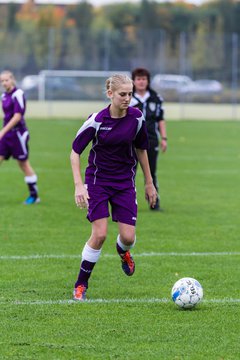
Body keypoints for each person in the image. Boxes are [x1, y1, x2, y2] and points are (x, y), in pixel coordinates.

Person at [70, 73, 157, 301]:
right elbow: (75, 152)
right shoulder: (97, 120)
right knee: (99, 235)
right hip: (98, 182)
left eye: (130, 94)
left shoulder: (137, 118)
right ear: (110, 94)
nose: (127, 98)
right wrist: (79, 186)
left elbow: (141, 150)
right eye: (122, 94)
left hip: (124, 183)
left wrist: (149, 183)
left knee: (128, 237)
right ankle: (81, 284)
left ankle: (123, 251)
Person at [0, 70, 40, 204]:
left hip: (18, 134)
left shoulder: (18, 94)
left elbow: (17, 116)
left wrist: (2, 131)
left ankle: (34, 196)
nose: (4, 83)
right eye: (2, 81)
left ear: (12, 80)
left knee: (23, 164)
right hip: (6, 135)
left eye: (6, 80)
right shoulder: (4, 96)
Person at [130, 68, 167, 211]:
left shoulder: (156, 98)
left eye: (144, 79)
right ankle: (128, 202)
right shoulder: (128, 97)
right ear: (133, 81)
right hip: (131, 141)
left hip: (151, 140)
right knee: (129, 172)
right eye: (138, 79)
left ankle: (154, 203)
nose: (141, 82)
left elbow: (160, 119)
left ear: (148, 81)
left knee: (151, 172)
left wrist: (164, 138)